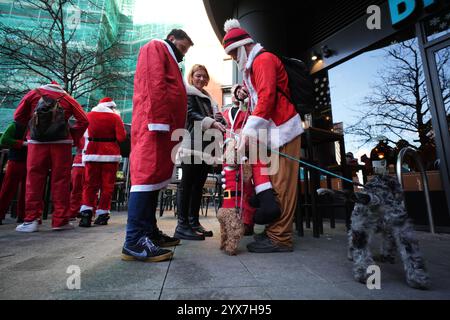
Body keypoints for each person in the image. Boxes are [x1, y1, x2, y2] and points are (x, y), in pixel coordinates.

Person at [222, 19, 303, 253]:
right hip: (275, 132)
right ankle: (274, 231)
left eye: (234, 55)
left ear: (242, 47)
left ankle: (280, 238)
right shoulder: (257, 63)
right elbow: (262, 95)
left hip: (284, 129)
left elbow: (267, 98)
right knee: (276, 184)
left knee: (283, 187)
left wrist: (247, 132)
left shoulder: (263, 60)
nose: (236, 61)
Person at [123, 29, 194, 262]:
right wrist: (158, 121)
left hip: (162, 127)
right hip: (154, 125)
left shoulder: (168, 55)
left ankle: (149, 232)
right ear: (172, 39)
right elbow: (152, 82)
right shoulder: (156, 47)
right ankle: (133, 240)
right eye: (182, 48)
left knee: (153, 180)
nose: (183, 55)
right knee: (145, 179)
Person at [14, 81, 88, 232]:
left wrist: (32, 127)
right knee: (61, 180)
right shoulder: (67, 98)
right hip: (62, 143)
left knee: (33, 179)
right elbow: (84, 120)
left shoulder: (33, 94)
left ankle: (31, 220)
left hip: (37, 142)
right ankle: (60, 220)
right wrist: (72, 135)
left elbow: (18, 116)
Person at [175, 64, 226, 240]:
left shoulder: (208, 98)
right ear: (191, 76)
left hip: (206, 147)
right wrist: (211, 122)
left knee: (198, 186)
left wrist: (218, 119)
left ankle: (194, 222)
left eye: (204, 76)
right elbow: (189, 114)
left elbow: (211, 118)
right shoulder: (187, 93)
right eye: (198, 76)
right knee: (187, 185)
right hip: (191, 144)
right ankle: (182, 225)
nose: (201, 79)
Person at [79, 97, 127, 227]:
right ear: (111, 107)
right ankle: (102, 214)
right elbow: (121, 137)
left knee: (89, 184)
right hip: (110, 154)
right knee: (107, 186)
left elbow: (83, 135)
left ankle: (86, 214)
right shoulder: (115, 118)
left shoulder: (89, 115)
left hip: (92, 153)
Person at [0, 121, 27, 225]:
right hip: (15, 161)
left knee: (26, 191)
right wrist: (23, 143)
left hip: (27, 162)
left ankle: (23, 216)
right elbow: (3, 140)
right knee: (7, 189)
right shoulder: (15, 125)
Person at [69, 133, 85, 220]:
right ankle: (84, 211)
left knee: (76, 189)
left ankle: (74, 211)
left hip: (80, 162)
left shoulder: (80, 131)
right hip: (85, 162)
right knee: (89, 190)